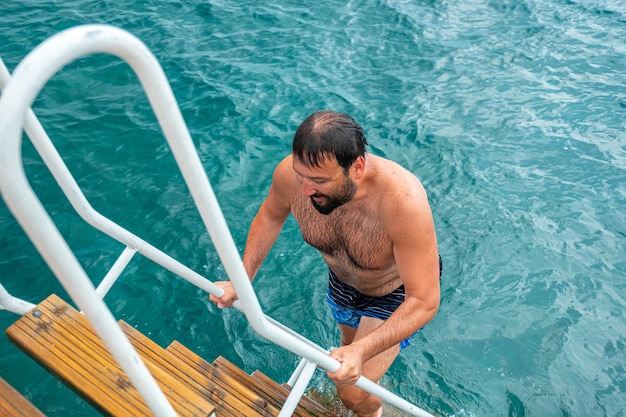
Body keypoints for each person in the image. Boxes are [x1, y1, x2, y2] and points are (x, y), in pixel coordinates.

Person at [210, 110, 441, 417]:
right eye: (300, 174)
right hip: (342, 282)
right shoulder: (291, 178)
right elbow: (270, 216)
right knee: (345, 358)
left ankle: (374, 412)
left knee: (352, 391)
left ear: (357, 168)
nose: (305, 190)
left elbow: (425, 300)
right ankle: (370, 376)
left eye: (319, 180)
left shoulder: (401, 201)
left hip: (392, 294)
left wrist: (361, 350)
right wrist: (242, 278)